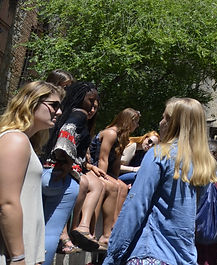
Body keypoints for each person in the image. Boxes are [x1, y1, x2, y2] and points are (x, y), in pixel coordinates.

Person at [104, 97, 217, 265]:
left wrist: (113, 254)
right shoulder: (205, 164)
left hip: (150, 250)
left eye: (165, 117)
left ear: (174, 123)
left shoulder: (159, 154)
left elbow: (136, 205)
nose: (160, 122)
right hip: (183, 257)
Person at [0, 81, 63, 265]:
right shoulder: (15, 140)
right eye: (54, 105)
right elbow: (7, 203)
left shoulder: (23, 141)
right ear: (32, 102)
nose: (59, 112)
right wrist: (18, 256)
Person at [40, 81, 102, 254]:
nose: (92, 107)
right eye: (90, 100)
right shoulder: (79, 114)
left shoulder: (64, 114)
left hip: (46, 173)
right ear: (80, 98)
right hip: (63, 180)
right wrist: (67, 161)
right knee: (51, 233)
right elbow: (66, 133)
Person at [89, 107, 141, 247]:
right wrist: (103, 179)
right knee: (113, 186)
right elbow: (103, 159)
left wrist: (115, 178)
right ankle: (98, 232)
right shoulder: (111, 133)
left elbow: (116, 163)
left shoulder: (123, 138)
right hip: (95, 168)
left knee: (122, 187)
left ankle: (113, 228)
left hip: (107, 172)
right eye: (136, 122)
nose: (137, 126)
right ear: (128, 121)